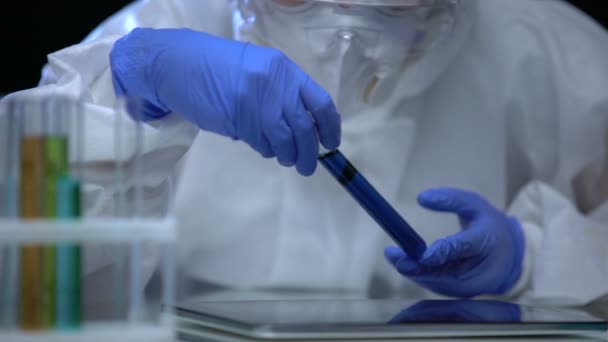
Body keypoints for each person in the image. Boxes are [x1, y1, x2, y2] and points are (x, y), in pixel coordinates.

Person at [2, 0, 607, 309]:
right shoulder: (160, 30)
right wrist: (123, 92)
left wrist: (540, 258)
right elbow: (23, 272)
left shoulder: (550, 54)